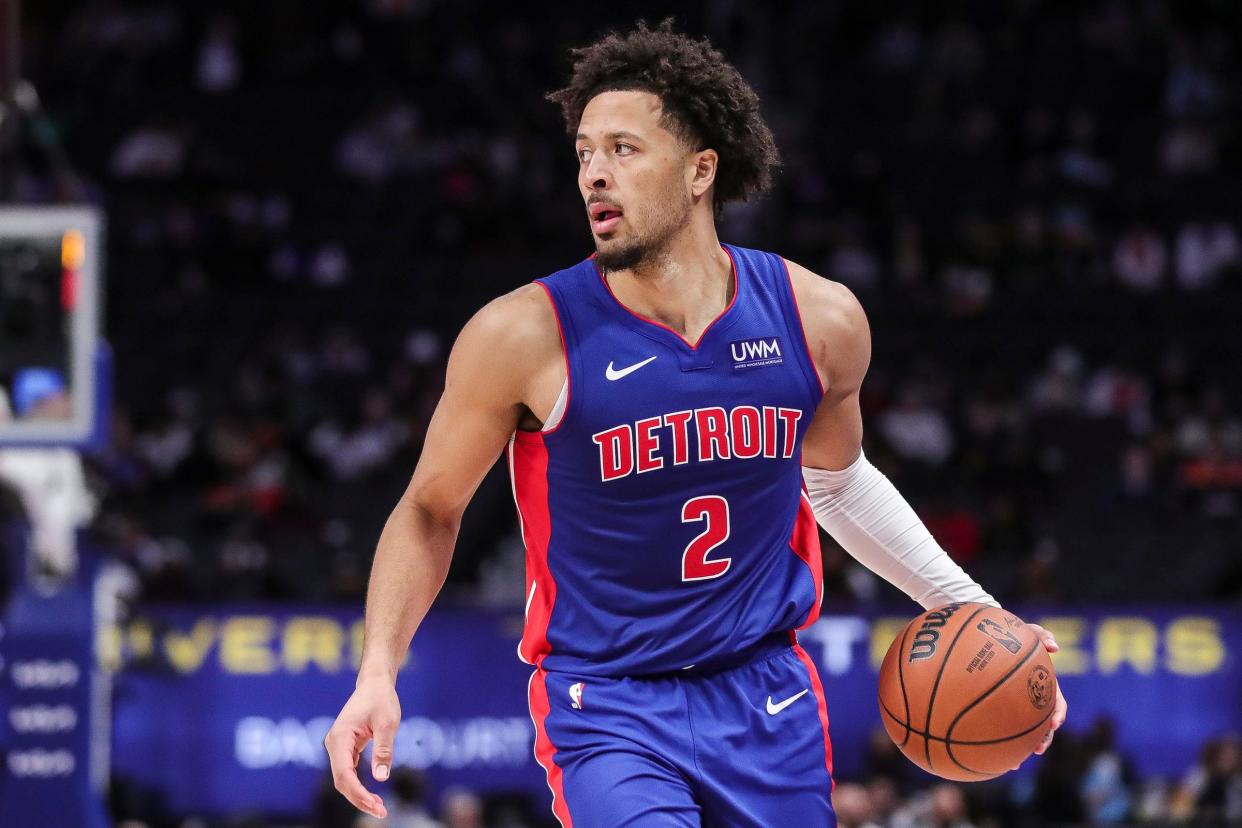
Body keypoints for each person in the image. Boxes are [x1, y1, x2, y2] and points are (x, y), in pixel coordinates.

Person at [324, 21, 1066, 826]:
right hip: (606, 702)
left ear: (701, 169)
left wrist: (975, 608)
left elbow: (840, 485)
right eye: (583, 153)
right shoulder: (521, 337)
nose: (594, 176)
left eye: (623, 149)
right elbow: (431, 509)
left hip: (765, 693)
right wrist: (377, 671)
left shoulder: (817, 318)